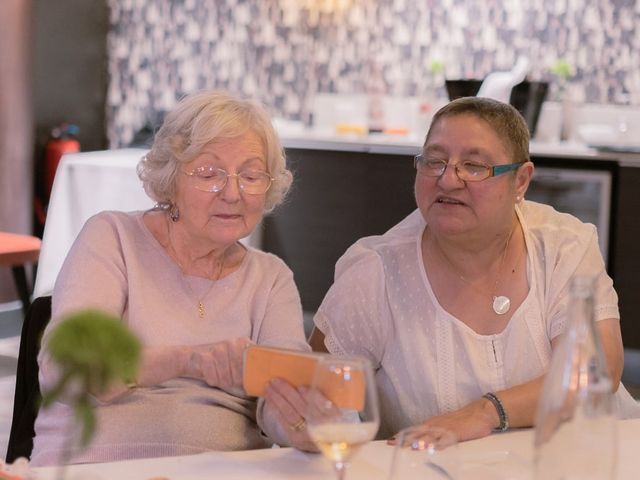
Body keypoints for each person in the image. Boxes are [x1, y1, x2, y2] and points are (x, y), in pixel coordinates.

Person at [302, 96, 639, 442]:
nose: (448, 180)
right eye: (434, 161)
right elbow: (308, 395)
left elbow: (595, 371)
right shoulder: (376, 273)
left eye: (474, 166)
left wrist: (486, 412)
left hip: (586, 458)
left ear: (520, 181)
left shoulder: (563, 247)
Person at [30, 89, 309, 465]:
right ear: (171, 178)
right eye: (209, 173)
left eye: (251, 175)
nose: (232, 192)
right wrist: (186, 361)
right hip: (96, 467)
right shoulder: (112, 238)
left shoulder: (271, 279)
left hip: (223, 472)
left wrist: (301, 419)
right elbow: (67, 369)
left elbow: (284, 405)